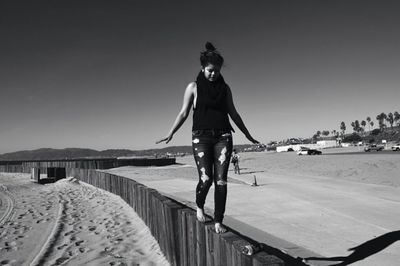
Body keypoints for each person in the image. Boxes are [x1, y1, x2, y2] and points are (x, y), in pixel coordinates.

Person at [156, 42, 259, 234]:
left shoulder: (225, 88)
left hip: (223, 136)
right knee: (206, 179)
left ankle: (219, 220)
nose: (214, 74)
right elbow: (183, 113)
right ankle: (200, 206)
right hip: (201, 138)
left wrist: (247, 134)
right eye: (211, 70)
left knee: (221, 181)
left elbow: (234, 114)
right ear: (203, 68)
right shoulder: (193, 87)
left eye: (217, 71)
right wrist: (171, 132)